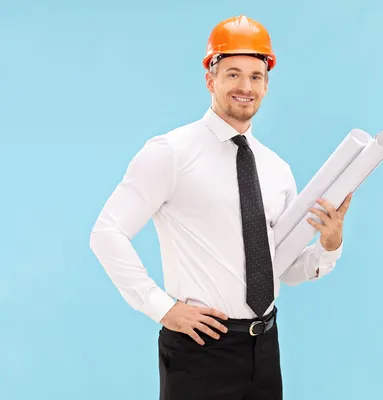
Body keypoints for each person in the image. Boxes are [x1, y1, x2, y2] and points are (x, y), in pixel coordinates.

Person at [89, 14, 353, 400]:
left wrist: (329, 245)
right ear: (210, 78)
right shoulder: (171, 153)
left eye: (256, 76)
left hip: (264, 347)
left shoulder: (277, 170)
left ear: (266, 84)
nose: (246, 87)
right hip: (200, 351)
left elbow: (278, 267)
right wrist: (162, 307)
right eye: (233, 74)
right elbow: (107, 232)